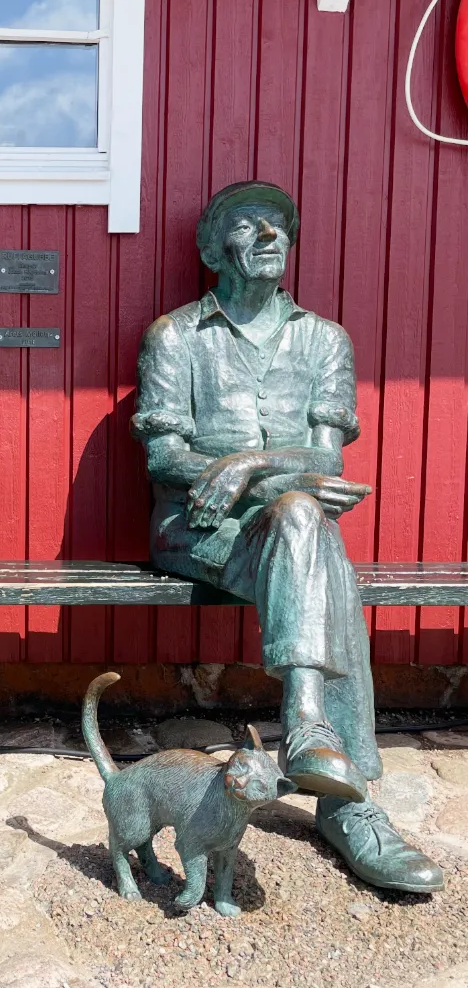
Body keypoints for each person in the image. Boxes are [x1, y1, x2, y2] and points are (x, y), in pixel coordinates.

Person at [132, 180, 443, 894]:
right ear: (214, 247)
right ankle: (347, 802)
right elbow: (165, 458)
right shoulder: (176, 337)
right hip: (196, 531)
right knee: (314, 527)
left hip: (290, 533)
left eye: (281, 225)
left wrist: (255, 466)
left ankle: (311, 729)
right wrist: (271, 479)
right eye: (249, 224)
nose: (270, 235)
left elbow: (329, 460)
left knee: (308, 524)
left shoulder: (326, 341)